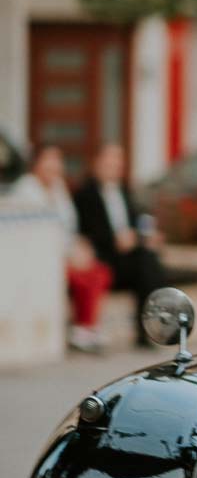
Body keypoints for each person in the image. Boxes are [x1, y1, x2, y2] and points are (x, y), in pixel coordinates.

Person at [11, 145, 112, 352]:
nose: (54, 166)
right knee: (80, 277)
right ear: (37, 164)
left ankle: (86, 327)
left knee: (100, 272)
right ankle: (82, 328)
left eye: (57, 160)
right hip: (40, 257)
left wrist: (78, 248)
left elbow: (69, 226)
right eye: (49, 160)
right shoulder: (25, 190)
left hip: (67, 253)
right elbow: (32, 233)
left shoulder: (59, 188)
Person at [74, 144, 168, 347]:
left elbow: (136, 224)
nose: (114, 166)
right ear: (97, 163)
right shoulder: (86, 195)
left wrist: (145, 238)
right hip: (105, 256)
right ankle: (150, 327)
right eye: (109, 161)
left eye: (118, 161)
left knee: (149, 260)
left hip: (128, 256)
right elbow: (88, 233)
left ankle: (151, 325)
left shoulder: (124, 192)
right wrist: (116, 240)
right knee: (147, 263)